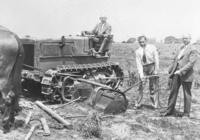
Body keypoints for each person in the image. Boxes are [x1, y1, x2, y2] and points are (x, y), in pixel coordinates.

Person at [160, 35, 198, 118]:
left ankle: (186, 114)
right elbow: (175, 60)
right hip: (176, 74)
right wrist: (169, 70)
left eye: (186, 38)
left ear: (190, 39)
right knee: (173, 92)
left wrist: (180, 71)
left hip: (186, 75)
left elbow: (191, 64)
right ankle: (169, 111)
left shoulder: (193, 49)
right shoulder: (181, 48)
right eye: (183, 38)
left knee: (187, 94)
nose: (185, 40)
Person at [134, 36, 160, 109]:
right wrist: (141, 74)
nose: (142, 43)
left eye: (143, 42)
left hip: (152, 66)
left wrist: (156, 70)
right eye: (140, 42)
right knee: (140, 86)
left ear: (146, 41)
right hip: (143, 68)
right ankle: (138, 104)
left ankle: (155, 105)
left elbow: (156, 59)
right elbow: (138, 63)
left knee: (153, 87)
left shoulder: (152, 47)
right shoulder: (137, 51)